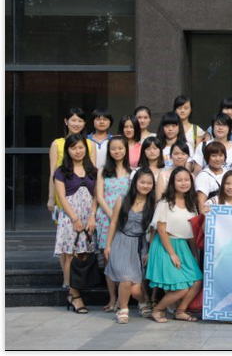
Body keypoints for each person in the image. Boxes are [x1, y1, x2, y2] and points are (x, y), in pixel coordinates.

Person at [147, 166, 204, 323]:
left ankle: (180, 311)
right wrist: (172, 254)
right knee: (181, 288)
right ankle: (157, 309)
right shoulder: (165, 202)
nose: (183, 183)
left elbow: (191, 234)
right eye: (179, 180)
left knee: (197, 281)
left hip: (183, 247)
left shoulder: (191, 204)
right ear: (172, 183)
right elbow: (161, 230)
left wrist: (194, 255)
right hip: (166, 245)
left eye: (186, 180)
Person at [104, 168, 156, 323]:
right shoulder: (123, 199)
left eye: (149, 183)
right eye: (142, 182)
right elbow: (113, 223)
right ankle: (123, 310)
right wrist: (108, 245)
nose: (145, 185)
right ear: (135, 182)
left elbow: (154, 230)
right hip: (121, 241)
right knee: (125, 279)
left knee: (135, 289)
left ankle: (142, 302)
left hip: (139, 246)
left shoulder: (153, 204)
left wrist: (150, 251)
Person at [53, 134, 98, 314]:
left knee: (83, 254)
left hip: (88, 216)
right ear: (67, 150)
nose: (78, 151)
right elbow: (61, 198)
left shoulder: (93, 170)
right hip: (69, 217)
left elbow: (97, 195)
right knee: (70, 255)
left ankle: (76, 290)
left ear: (85, 149)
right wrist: (75, 219)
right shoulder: (61, 171)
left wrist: (92, 216)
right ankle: (74, 295)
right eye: (73, 148)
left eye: (80, 147)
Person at [95, 135, 132, 313]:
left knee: (122, 257)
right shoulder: (103, 171)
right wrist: (112, 215)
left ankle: (121, 298)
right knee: (108, 258)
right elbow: (99, 196)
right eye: (113, 148)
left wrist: (120, 217)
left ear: (126, 150)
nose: (117, 151)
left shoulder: (132, 171)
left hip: (125, 218)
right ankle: (112, 297)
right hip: (106, 217)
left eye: (120, 148)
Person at [194, 142, 227, 210]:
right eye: (214, 156)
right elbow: (201, 204)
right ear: (207, 157)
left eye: (221, 155)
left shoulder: (228, 173)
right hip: (212, 214)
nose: (218, 159)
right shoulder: (203, 176)